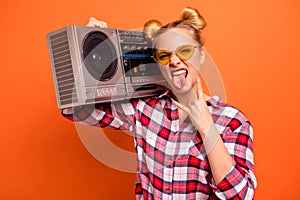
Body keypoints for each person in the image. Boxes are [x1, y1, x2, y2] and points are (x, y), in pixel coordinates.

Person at [62, 7, 257, 199]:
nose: (174, 61)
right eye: (164, 55)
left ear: (202, 55)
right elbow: (75, 109)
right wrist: (85, 50)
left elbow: (241, 196)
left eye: (185, 51)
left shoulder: (233, 122)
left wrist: (206, 126)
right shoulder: (144, 108)